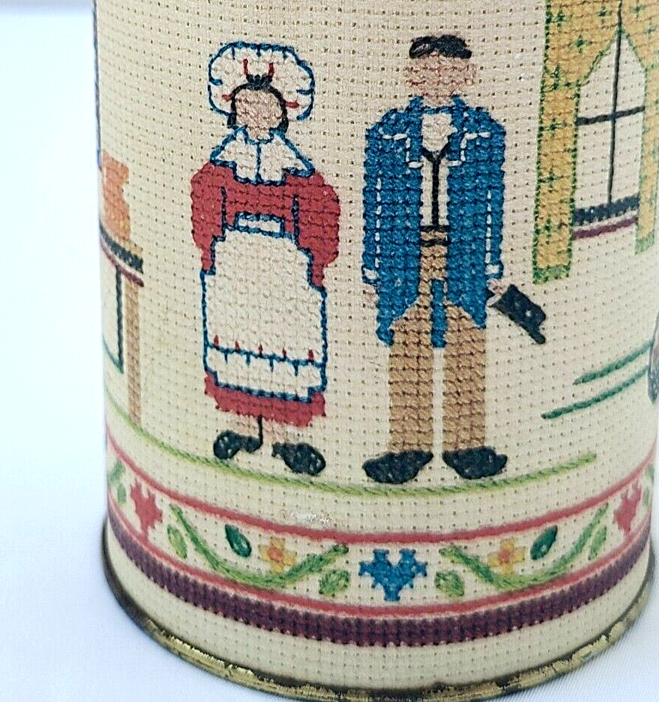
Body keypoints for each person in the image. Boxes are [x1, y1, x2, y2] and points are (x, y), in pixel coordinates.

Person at [362, 35, 507, 483]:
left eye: (448, 69)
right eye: (427, 70)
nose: (437, 78)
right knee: (408, 344)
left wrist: (491, 266)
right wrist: (373, 267)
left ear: (466, 75)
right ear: (412, 76)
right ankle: (409, 447)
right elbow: (376, 201)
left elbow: (492, 201)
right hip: (405, 253)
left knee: (467, 341)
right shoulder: (388, 134)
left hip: (464, 253)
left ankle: (467, 446)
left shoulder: (483, 133)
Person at [191, 43, 339, 476]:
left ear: (283, 113)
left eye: (266, 107)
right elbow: (205, 203)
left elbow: (321, 211)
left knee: (284, 344)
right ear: (233, 110)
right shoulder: (224, 162)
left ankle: (283, 435)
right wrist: (212, 249)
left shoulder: (294, 167)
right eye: (247, 105)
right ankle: (243, 425)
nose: (256, 113)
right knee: (237, 339)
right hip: (234, 265)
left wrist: (312, 259)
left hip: (285, 268)